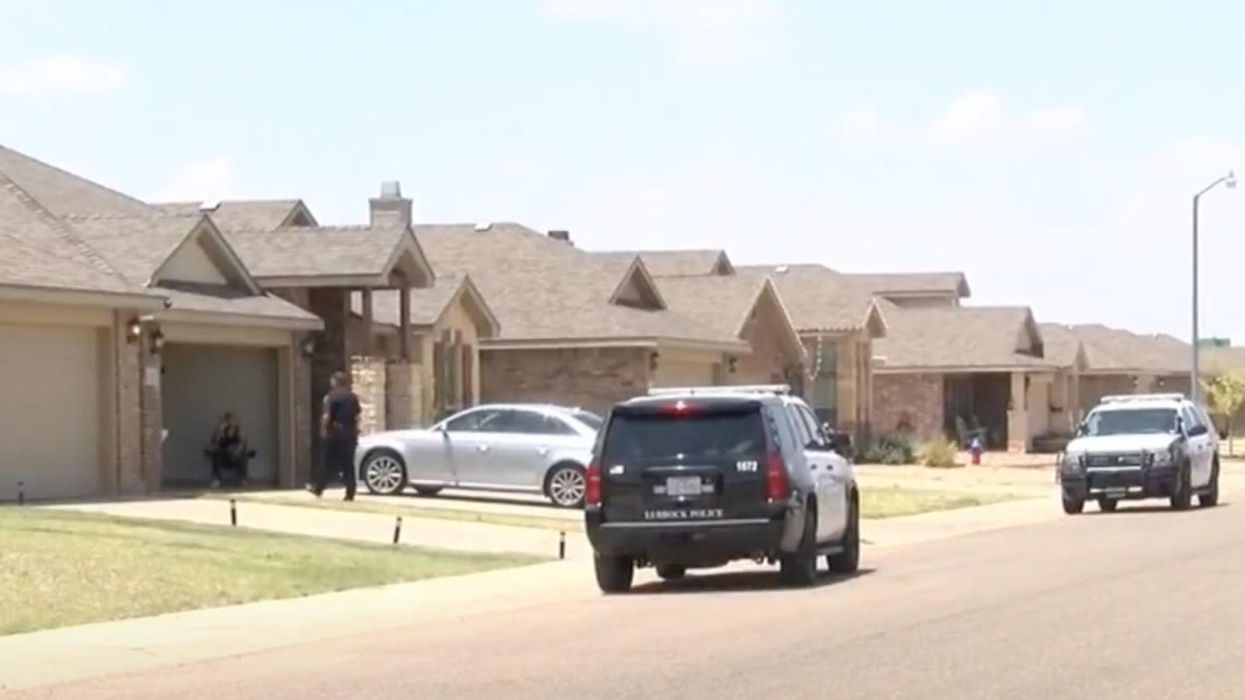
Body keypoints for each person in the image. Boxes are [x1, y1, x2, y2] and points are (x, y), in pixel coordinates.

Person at [312, 370, 361, 500]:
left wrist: (323, 430)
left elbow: (326, 416)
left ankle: (319, 488)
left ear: (335, 382)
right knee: (348, 463)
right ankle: (350, 492)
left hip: (335, 432)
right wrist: (355, 431)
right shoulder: (353, 397)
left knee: (326, 461)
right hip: (349, 432)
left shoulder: (331, 396)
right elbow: (357, 416)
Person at [209, 412, 247, 488]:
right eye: (227, 419)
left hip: (235, 455)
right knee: (216, 454)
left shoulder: (239, 430)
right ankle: (216, 480)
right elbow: (214, 443)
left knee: (243, 456)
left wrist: (236, 451)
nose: (229, 422)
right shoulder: (221, 430)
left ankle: (241, 479)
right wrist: (220, 430)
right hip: (223, 455)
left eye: (231, 419)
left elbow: (242, 443)